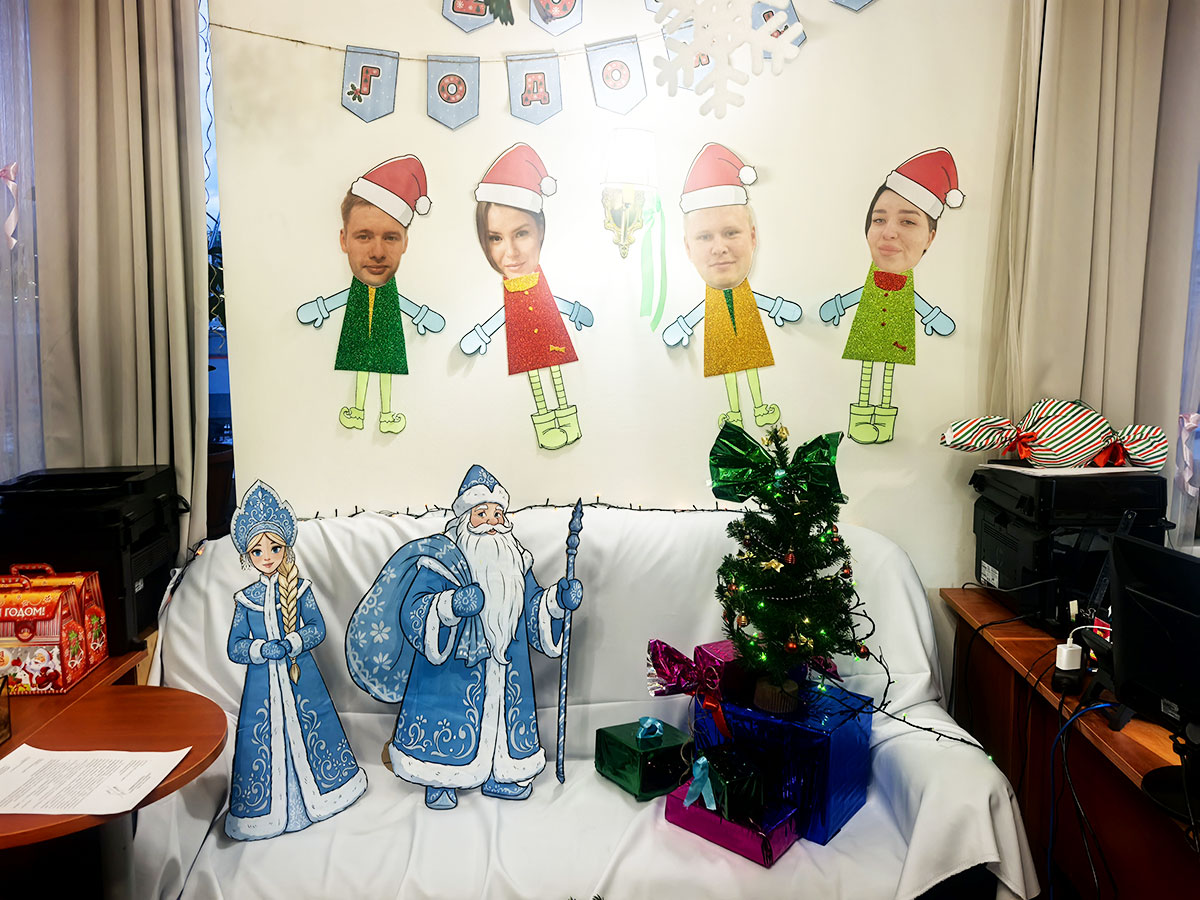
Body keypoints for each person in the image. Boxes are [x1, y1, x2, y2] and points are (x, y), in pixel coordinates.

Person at [345, 465, 584, 810]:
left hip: (506, 670)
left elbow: (532, 610)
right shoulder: (441, 560)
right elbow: (414, 610)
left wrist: (557, 602)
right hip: (449, 676)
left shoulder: (516, 561)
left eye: (497, 513)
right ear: (464, 517)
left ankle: (502, 772)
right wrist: (449, 606)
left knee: (503, 724)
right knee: (445, 726)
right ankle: (440, 777)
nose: (491, 522)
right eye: (481, 513)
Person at [225, 480, 366, 840]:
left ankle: (325, 793)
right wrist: (260, 649)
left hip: (300, 677)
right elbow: (234, 647)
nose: (267, 557)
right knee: (264, 738)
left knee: (312, 727)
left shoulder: (300, 589)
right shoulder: (245, 600)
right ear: (247, 556)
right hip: (262, 688)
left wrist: (293, 642)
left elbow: (318, 628)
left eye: (274, 547)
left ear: (286, 548)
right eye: (258, 551)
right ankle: (268, 812)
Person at [819, 148, 961, 444]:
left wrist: (932, 315)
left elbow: (916, 302)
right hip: (869, 324)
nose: (888, 233)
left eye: (908, 222)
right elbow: (861, 293)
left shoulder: (907, 285)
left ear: (930, 237)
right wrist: (838, 305)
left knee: (887, 374)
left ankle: (883, 424)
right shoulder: (871, 279)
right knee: (867, 369)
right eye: (879, 220)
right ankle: (860, 421)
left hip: (897, 330)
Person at [296, 155, 445, 435]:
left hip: (388, 333)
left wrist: (421, 315)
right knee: (361, 363)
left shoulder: (390, 291)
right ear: (344, 240)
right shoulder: (357, 290)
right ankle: (358, 410)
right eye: (364, 236)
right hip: (359, 331)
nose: (377, 253)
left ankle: (386, 414)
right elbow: (341, 298)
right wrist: (322, 308)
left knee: (386, 366)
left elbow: (403, 305)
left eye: (390, 237)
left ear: (405, 243)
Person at [459, 144, 594, 451]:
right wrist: (482, 333)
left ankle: (568, 421)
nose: (511, 252)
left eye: (521, 233)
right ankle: (546, 427)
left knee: (555, 372)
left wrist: (574, 311)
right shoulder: (509, 290)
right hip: (523, 335)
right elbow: (503, 317)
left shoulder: (540, 283)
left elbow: (553, 302)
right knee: (535, 377)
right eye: (496, 238)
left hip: (549, 330)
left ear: (541, 229)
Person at [662, 143, 802, 428]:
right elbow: (700, 312)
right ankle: (735, 414)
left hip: (748, 326)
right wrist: (683, 325)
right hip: (719, 331)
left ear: (753, 237)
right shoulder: (709, 297)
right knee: (728, 367)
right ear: (688, 248)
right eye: (704, 237)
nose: (719, 248)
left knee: (750, 363)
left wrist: (778, 307)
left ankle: (759, 407)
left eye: (730, 233)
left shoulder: (745, 291)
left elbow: (762, 302)